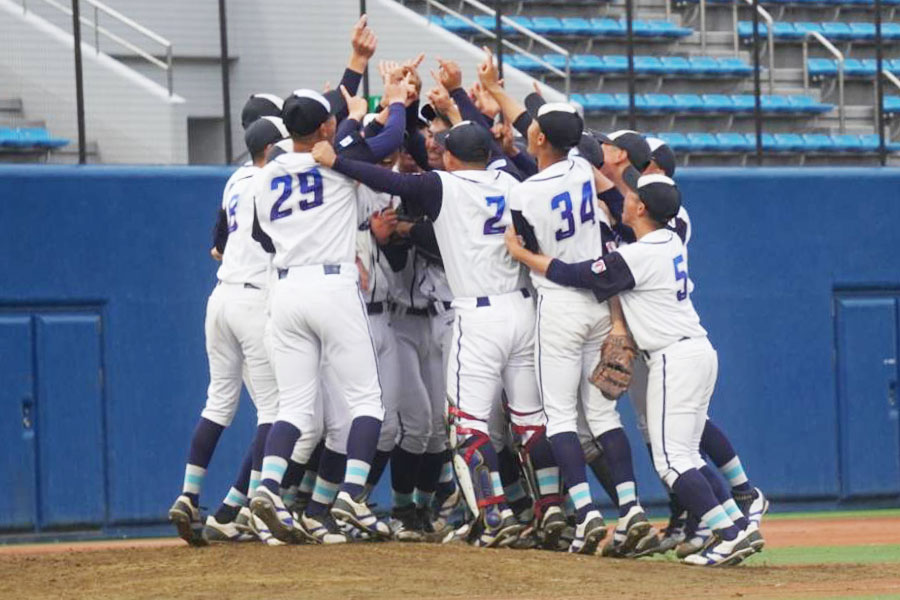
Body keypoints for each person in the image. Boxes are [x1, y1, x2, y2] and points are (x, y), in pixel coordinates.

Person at [311, 120, 565, 549]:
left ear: (450, 156)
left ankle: (494, 511)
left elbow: (383, 177)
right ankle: (553, 506)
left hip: (479, 316)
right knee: (530, 419)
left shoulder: (443, 186)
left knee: (467, 423)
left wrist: (335, 160)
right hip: (523, 308)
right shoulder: (509, 180)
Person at [505, 172, 764, 566]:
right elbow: (621, 201)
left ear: (641, 208)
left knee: (672, 461)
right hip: (697, 350)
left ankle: (727, 534)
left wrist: (522, 255)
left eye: (632, 197)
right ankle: (737, 526)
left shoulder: (639, 255)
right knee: (688, 455)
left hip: (672, 359)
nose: (623, 198)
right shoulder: (672, 237)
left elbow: (574, 275)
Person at [246, 80, 409, 542]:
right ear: (324, 127)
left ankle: (270, 488)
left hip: (285, 288)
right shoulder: (340, 166)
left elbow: (262, 238)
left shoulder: (266, 174)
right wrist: (391, 102)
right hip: (332, 285)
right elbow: (391, 141)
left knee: (294, 406)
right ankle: (353, 497)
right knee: (367, 402)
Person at [168, 116, 287, 546]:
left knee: (218, 403)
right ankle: (257, 507)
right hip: (253, 298)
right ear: (272, 148)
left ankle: (188, 495)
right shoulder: (271, 181)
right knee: (273, 410)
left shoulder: (236, 179)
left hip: (219, 299)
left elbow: (217, 241)